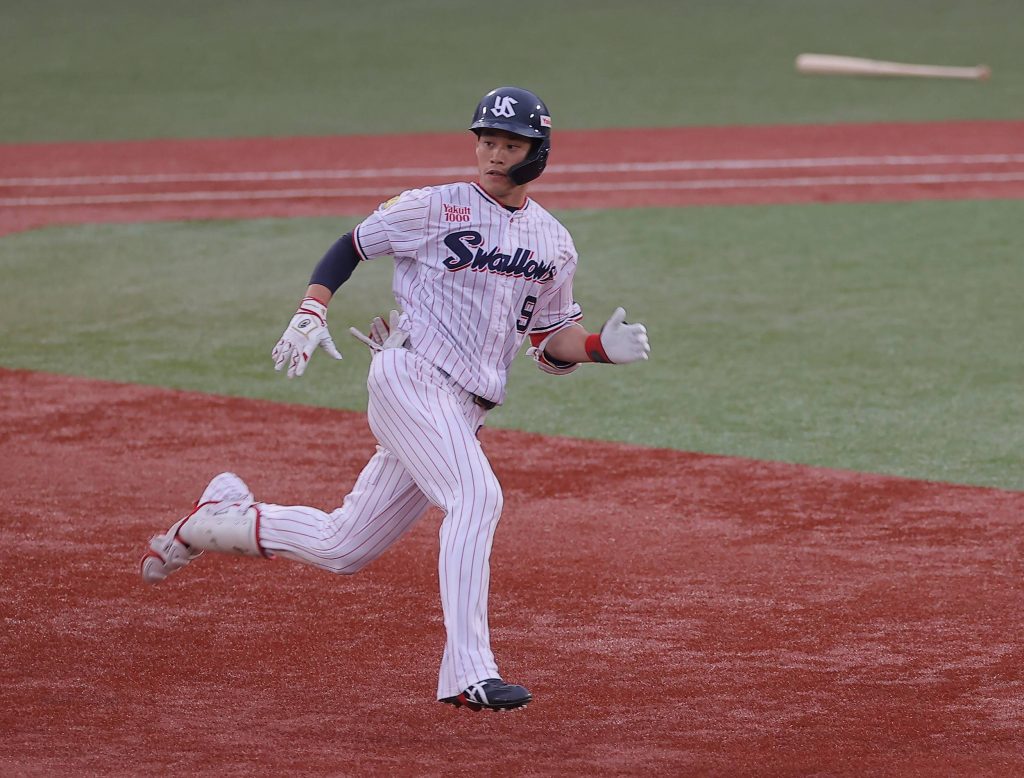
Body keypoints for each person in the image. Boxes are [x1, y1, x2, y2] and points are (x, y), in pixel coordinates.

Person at [140, 86, 651, 712]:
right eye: (485, 140)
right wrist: (311, 308)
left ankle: (215, 518)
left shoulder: (553, 242)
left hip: (462, 411)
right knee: (476, 496)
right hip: (410, 378)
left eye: (508, 144)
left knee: (343, 546)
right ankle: (469, 671)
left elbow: (548, 341)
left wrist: (598, 345)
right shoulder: (433, 207)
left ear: (536, 152)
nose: (492, 154)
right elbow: (351, 245)